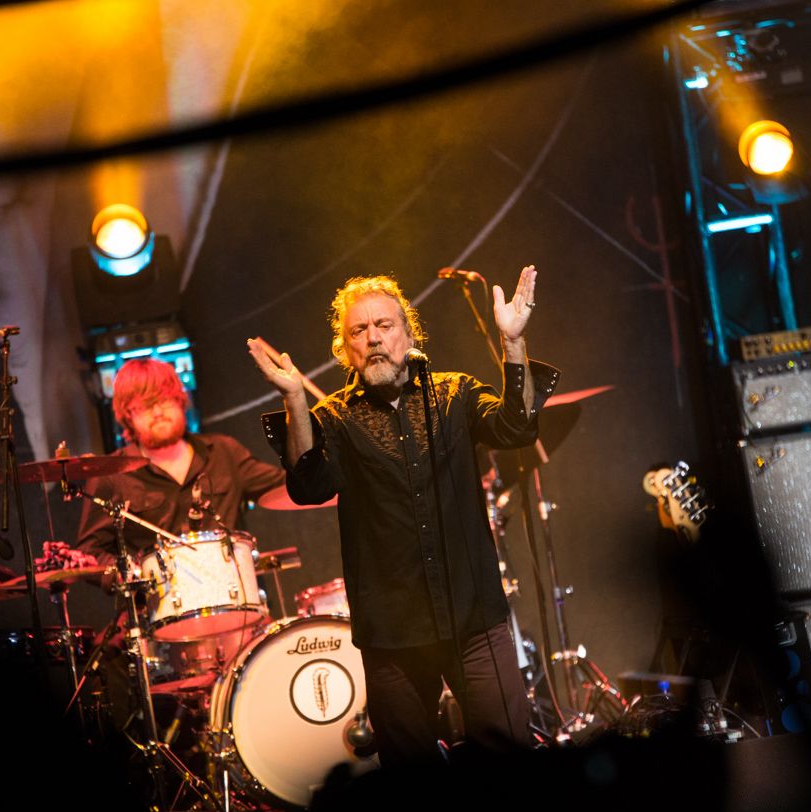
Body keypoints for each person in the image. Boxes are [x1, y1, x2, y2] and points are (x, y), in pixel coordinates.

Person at [249, 267, 558, 766]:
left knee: (509, 762)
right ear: (344, 349)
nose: (372, 337)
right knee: (412, 786)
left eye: (384, 325)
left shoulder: (453, 394)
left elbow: (515, 428)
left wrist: (513, 343)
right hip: (393, 633)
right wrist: (293, 400)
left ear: (409, 334)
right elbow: (307, 485)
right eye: (358, 330)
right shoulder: (336, 418)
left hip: (473, 616)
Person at [74, 357, 285, 567]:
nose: (158, 413)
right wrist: (135, 571)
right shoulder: (111, 476)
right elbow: (90, 552)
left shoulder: (224, 452)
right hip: (161, 596)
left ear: (180, 400)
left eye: (164, 400)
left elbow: (287, 488)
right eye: (145, 406)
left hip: (237, 590)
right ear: (128, 415)